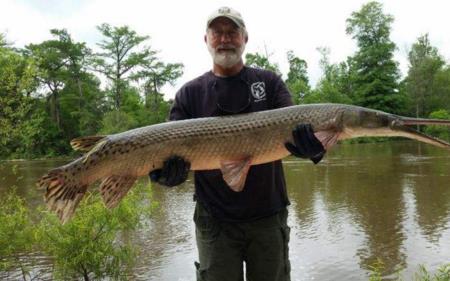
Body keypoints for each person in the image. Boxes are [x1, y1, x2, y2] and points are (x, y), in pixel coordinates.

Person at [149, 6, 326, 281]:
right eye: (217, 32)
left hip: (268, 215)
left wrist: (313, 148)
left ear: (245, 38)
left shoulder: (269, 82)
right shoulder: (189, 94)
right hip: (214, 220)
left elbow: (295, 133)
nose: (225, 38)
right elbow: (170, 155)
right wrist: (168, 176)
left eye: (232, 32)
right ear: (206, 40)